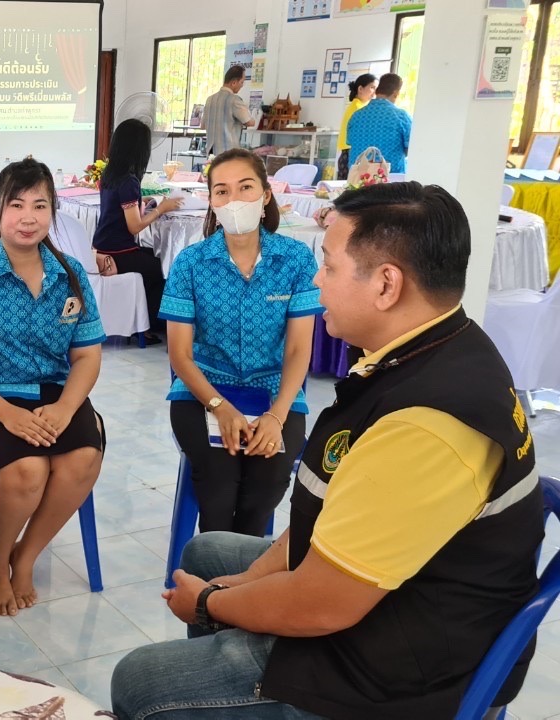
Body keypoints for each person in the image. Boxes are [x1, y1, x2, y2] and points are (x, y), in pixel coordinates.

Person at [110, 181, 543, 719]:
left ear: (386, 285)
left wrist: (210, 604)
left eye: (331, 267)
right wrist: (238, 589)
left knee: (140, 680)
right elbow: (329, 513)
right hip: (393, 589)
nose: (318, 279)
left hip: (399, 661)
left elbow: (321, 604)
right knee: (209, 554)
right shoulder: (434, 348)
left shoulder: (426, 423)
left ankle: (241, 686)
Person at [0, 158, 106, 617]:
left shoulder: (71, 276)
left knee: (83, 458)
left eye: (40, 206)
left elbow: (87, 357)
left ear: (53, 212)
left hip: (52, 392)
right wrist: (7, 414)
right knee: (29, 470)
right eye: (16, 205)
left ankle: (24, 557)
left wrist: (66, 408)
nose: (28, 217)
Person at [160, 149, 319, 536]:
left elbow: (298, 349)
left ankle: (241, 570)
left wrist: (277, 416)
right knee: (218, 486)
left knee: (267, 482)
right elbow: (180, 354)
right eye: (222, 191)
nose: (234, 200)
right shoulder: (191, 263)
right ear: (212, 202)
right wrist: (220, 406)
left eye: (245, 187)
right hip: (203, 390)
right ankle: (212, 571)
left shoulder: (296, 260)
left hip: (274, 391)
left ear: (266, 195)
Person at [92, 118, 177, 342]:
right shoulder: (129, 181)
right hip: (119, 251)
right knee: (162, 268)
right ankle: (147, 326)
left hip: (102, 246)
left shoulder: (110, 174)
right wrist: (161, 209)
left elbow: (118, 208)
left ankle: (144, 322)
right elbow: (134, 226)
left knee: (154, 258)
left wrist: (142, 202)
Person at [346, 72, 412, 174]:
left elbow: (350, 142)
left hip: (358, 178)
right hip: (389, 178)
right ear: (396, 94)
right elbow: (412, 148)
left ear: (377, 91)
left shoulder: (356, 116)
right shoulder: (401, 116)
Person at [202, 65, 255, 155]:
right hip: (228, 153)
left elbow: (203, 125)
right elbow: (249, 122)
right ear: (234, 82)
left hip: (211, 151)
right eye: (242, 82)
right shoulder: (234, 100)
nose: (242, 86)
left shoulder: (209, 100)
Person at [336, 73, 377, 180]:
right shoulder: (358, 108)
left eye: (376, 88)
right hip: (350, 152)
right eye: (372, 87)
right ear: (360, 89)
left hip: (351, 152)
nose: (374, 92)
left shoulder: (360, 106)